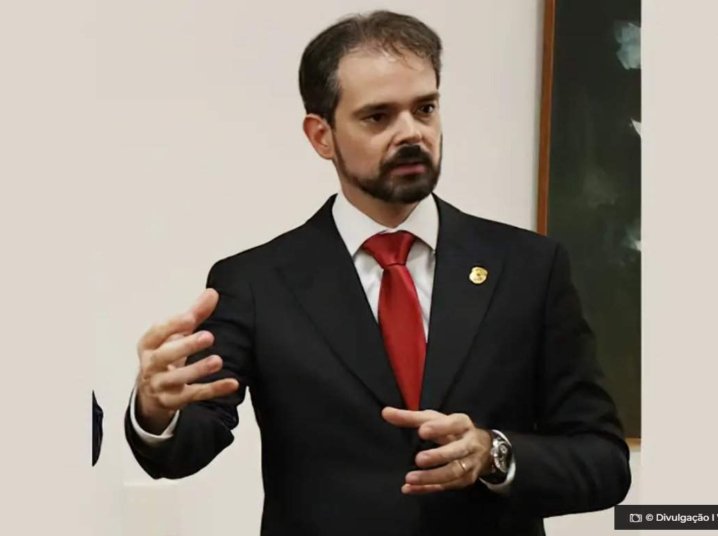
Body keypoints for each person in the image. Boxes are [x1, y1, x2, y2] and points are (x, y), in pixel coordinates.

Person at [124, 10, 631, 535]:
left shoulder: (528, 267)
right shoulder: (255, 282)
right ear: (321, 136)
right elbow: (184, 449)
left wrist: (493, 453)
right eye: (378, 117)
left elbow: (603, 462)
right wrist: (156, 408)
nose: (411, 133)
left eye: (425, 109)